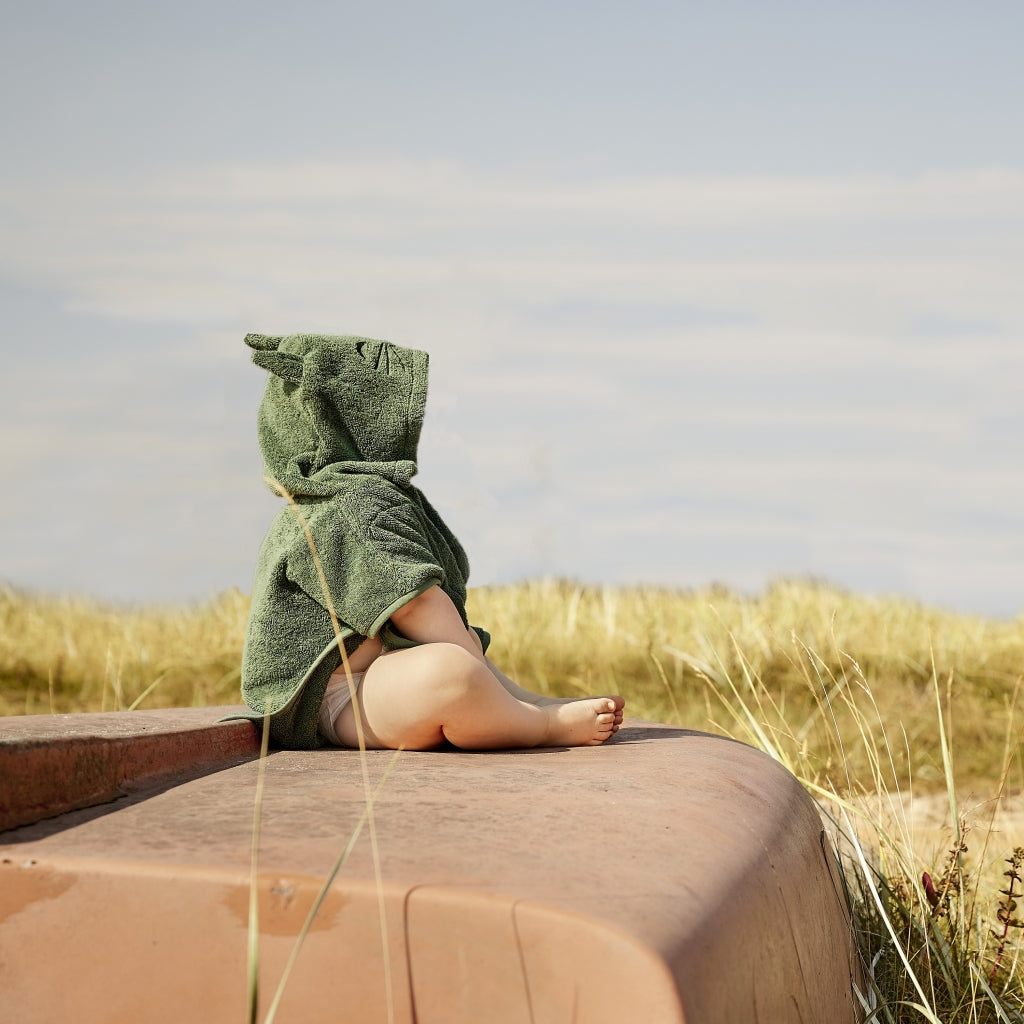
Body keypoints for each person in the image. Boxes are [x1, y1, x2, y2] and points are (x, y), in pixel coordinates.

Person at [240, 333, 624, 751]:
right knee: (453, 673)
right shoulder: (346, 505)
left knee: (459, 653)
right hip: (336, 699)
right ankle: (541, 724)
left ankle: (522, 703)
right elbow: (415, 602)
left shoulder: (339, 499)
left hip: (380, 678)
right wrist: (493, 684)